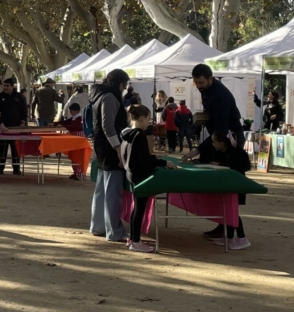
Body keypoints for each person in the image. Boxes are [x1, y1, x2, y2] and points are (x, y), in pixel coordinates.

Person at [121, 104, 174, 253]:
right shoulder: (139, 135)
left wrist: (155, 158)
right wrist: (163, 162)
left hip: (130, 173)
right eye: (149, 119)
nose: (150, 122)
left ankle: (133, 239)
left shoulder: (127, 133)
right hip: (139, 175)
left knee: (136, 208)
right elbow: (144, 160)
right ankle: (136, 241)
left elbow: (138, 156)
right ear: (142, 118)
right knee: (139, 209)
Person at [89, 69, 131, 242]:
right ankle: (114, 230)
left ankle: (98, 225)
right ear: (120, 84)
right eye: (125, 85)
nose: (125, 89)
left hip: (101, 146)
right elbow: (109, 126)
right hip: (109, 147)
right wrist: (118, 148)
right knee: (113, 191)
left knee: (102, 188)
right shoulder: (110, 97)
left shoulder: (99, 95)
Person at [199, 132, 252, 250]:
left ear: (222, 143)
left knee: (232, 212)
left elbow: (240, 167)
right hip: (227, 187)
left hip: (236, 187)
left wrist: (222, 164)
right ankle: (229, 237)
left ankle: (242, 238)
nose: (212, 145)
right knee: (227, 211)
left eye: (214, 142)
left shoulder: (237, 153)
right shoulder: (221, 152)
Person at [184, 64, 245, 156]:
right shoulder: (206, 89)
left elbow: (221, 130)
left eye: (201, 83)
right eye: (196, 82)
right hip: (219, 137)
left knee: (228, 168)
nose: (198, 86)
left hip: (229, 138)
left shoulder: (220, 96)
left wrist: (197, 151)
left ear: (210, 79)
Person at [0, 78, 27, 175]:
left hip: (16, 128)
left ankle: (16, 169)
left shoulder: (20, 97)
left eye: (7, 86)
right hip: (4, 128)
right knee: (3, 149)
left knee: (15, 149)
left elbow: (24, 111)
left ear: (12, 86)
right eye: (4, 85)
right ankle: (0, 168)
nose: (5, 87)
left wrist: (23, 122)